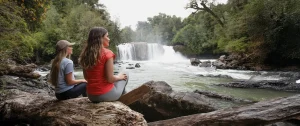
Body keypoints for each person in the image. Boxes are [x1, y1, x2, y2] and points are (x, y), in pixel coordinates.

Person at [79, 27, 128, 103]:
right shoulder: (107, 53)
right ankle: (124, 100)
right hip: (105, 95)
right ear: (100, 38)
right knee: (125, 73)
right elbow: (110, 79)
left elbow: (86, 78)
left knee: (116, 77)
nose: (109, 39)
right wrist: (119, 77)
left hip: (91, 95)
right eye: (107, 36)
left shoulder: (85, 54)